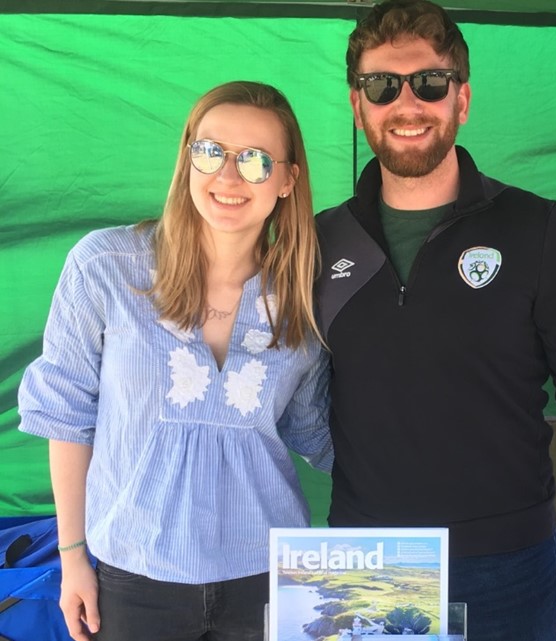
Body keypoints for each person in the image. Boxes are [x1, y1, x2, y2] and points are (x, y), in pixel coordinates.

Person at [314, 2, 556, 640]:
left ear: (462, 99)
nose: (407, 104)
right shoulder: (319, 241)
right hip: (366, 561)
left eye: (429, 83)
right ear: (357, 105)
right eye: (382, 86)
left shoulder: (538, 229)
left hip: (509, 566)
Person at [18, 81, 333, 641]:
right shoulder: (106, 267)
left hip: (267, 578)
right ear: (188, 157)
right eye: (211, 152)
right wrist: (72, 558)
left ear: (288, 180)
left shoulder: (305, 297)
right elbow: (66, 415)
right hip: (133, 576)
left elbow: (316, 432)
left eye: (256, 160)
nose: (229, 177)